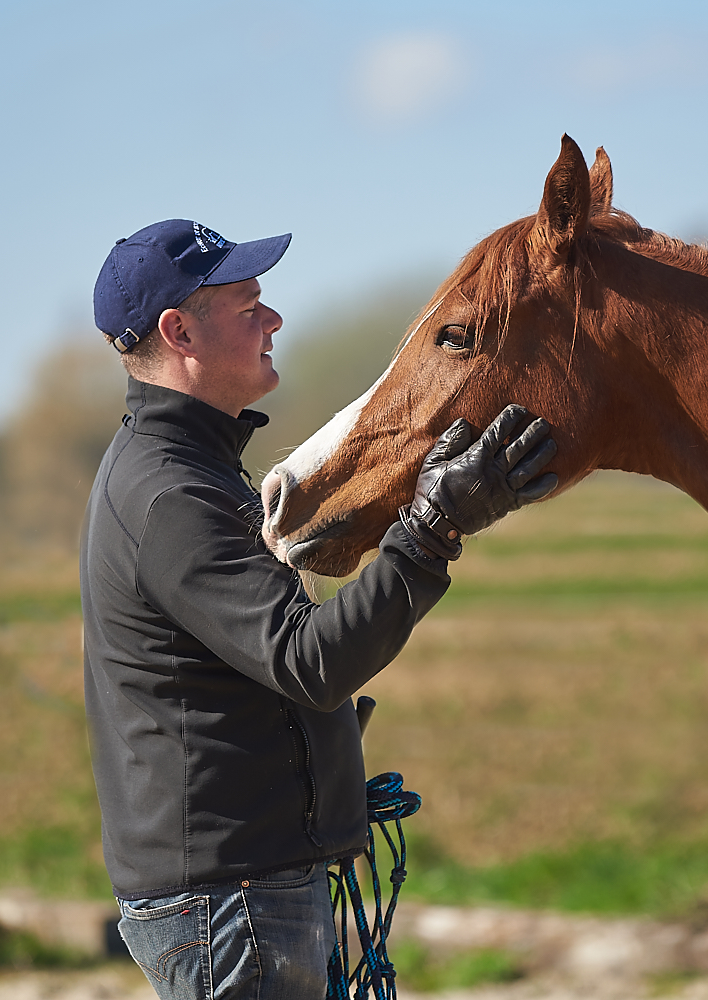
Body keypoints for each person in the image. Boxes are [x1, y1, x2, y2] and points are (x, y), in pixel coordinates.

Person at [82, 219, 557, 1000]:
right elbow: (310, 660)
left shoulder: (186, 471)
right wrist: (433, 526)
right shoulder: (171, 495)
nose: (272, 321)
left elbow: (263, 670)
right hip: (230, 905)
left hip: (241, 893)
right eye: (248, 305)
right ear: (178, 331)